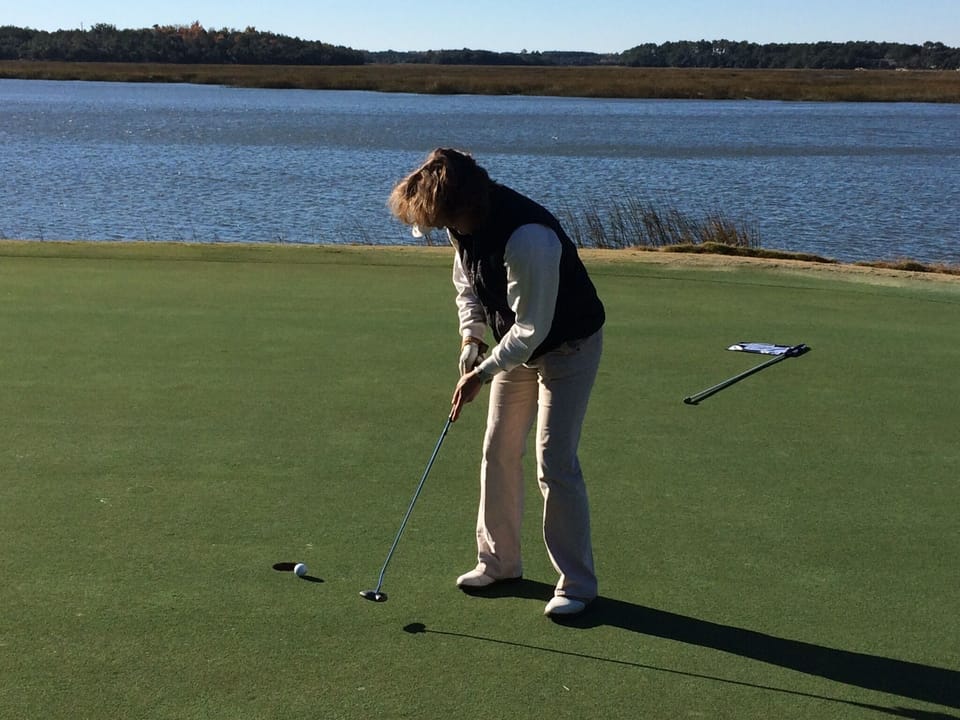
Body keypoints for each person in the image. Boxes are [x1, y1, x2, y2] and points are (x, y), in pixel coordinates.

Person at [388, 148, 605, 617]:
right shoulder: (461, 226)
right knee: (498, 447)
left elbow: (532, 330)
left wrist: (482, 373)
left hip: (568, 344)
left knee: (554, 460)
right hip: (517, 344)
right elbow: (467, 282)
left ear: (461, 204)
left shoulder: (528, 237)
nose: (439, 229)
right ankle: (499, 562)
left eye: (440, 221)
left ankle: (577, 584)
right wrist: (472, 337)